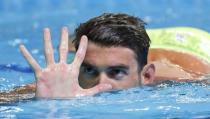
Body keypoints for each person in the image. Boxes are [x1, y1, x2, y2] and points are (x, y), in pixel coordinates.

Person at [1, 13, 210, 100]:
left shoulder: (178, 79)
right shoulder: (70, 77)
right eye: (90, 70)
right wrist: (44, 101)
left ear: (146, 76)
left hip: (192, 43)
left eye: (116, 72)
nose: (101, 84)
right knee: (80, 45)